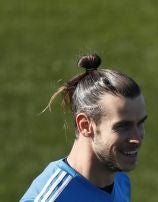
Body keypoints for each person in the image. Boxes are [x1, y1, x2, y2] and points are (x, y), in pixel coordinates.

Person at [21, 53, 147, 202]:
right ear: (85, 125)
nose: (137, 138)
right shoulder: (52, 198)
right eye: (122, 126)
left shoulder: (120, 181)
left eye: (140, 123)